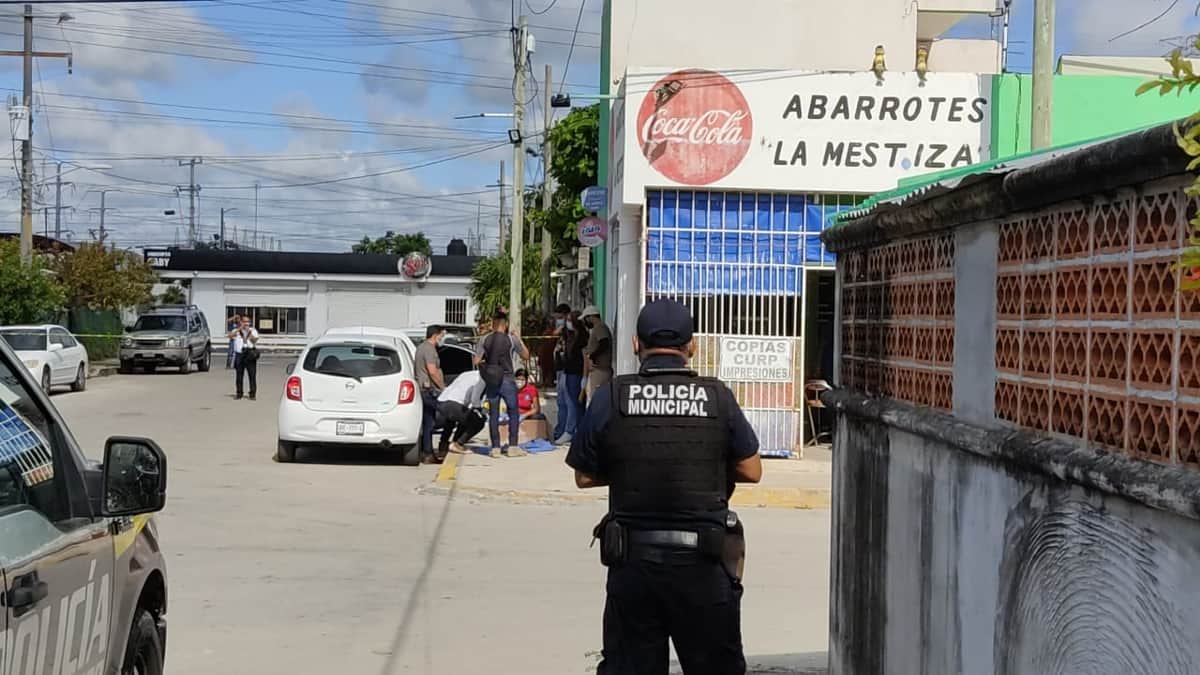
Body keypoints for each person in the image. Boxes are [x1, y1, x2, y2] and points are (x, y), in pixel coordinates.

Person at [566, 298, 763, 674]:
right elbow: (752, 470)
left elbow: (583, 475)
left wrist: (632, 468)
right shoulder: (716, 396)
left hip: (634, 564)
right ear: (692, 347)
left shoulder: (613, 395)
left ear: (635, 344)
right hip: (704, 566)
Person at [474, 312, 531, 458]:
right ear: (505, 324)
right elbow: (526, 356)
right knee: (513, 412)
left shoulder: (484, 339)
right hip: (508, 379)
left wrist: (487, 368)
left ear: (493, 323)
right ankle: (512, 446)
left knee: (493, 413)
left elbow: (476, 360)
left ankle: (495, 448)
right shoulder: (511, 340)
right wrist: (519, 338)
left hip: (492, 380)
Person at [552, 305, 587, 446]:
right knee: (566, 401)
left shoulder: (582, 338)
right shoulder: (570, 335)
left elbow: (585, 358)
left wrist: (585, 377)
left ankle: (571, 430)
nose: (567, 323)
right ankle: (568, 429)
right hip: (568, 371)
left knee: (574, 403)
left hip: (577, 373)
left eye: (568, 320)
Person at [414, 325, 447, 465]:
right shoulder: (429, 349)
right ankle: (428, 452)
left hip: (424, 389)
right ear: (435, 335)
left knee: (428, 421)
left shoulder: (421, 347)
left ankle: (426, 452)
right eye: (441, 336)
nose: (441, 339)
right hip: (428, 390)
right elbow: (432, 371)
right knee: (437, 418)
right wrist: (443, 387)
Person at [436, 368, 488, 456]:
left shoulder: (467, 374)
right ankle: (457, 444)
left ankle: (443, 445)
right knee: (478, 421)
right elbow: (473, 398)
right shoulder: (482, 380)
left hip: (442, 401)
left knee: (453, 419)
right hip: (454, 404)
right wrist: (479, 409)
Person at [580, 305, 613, 402]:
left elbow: (604, 343)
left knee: (597, 400)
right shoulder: (597, 328)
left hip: (600, 370)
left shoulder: (599, 327)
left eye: (585, 319)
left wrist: (592, 356)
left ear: (590, 317)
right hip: (597, 370)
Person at [228, 316, 259, 400]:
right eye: (244, 321)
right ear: (240, 322)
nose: (246, 323)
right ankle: (239, 393)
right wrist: (239, 329)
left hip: (250, 353)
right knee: (239, 375)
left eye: (248, 322)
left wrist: (249, 332)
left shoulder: (253, 330)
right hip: (240, 354)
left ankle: (252, 394)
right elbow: (230, 336)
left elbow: (255, 340)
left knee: (252, 375)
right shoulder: (236, 331)